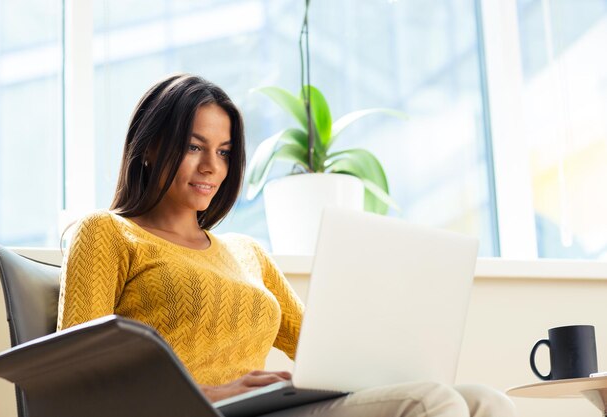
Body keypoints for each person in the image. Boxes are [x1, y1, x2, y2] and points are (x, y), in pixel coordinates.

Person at [57, 74, 516, 417]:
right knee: (431, 403)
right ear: (149, 148)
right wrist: (211, 391)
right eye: (194, 146)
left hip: (269, 408)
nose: (211, 167)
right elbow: (74, 381)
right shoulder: (106, 232)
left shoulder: (247, 253)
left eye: (223, 151)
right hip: (196, 410)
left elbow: (324, 351)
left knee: (486, 401)